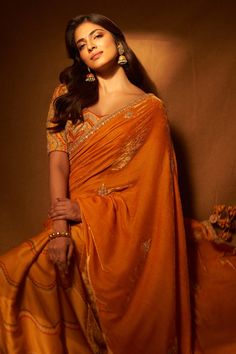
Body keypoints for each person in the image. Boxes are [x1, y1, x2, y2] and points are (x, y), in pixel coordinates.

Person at [0, 13, 192, 354]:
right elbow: (58, 162)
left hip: (113, 231)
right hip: (69, 223)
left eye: (97, 36)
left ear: (117, 43)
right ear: (80, 58)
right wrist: (60, 227)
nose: (90, 47)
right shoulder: (66, 96)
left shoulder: (149, 110)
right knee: (12, 277)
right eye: (82, 45)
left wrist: (85, 209)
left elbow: (151, 196)